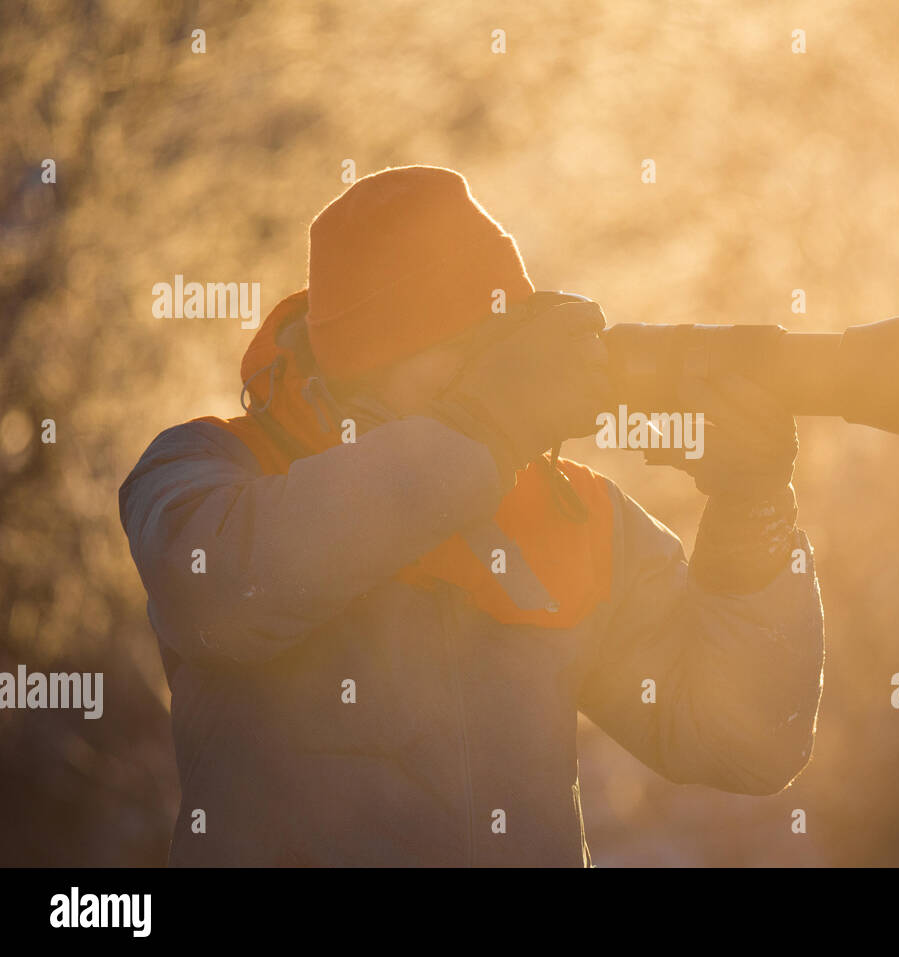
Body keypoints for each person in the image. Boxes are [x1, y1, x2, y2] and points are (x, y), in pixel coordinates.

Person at [118, 165, 825, 866]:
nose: (493, 373)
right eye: (460, 352)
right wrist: (481, 427)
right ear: (365, 364)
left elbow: (747, 741)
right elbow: (227, 590)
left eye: (500, 347)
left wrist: (752, 511)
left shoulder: (567, 512)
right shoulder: (209, 470)